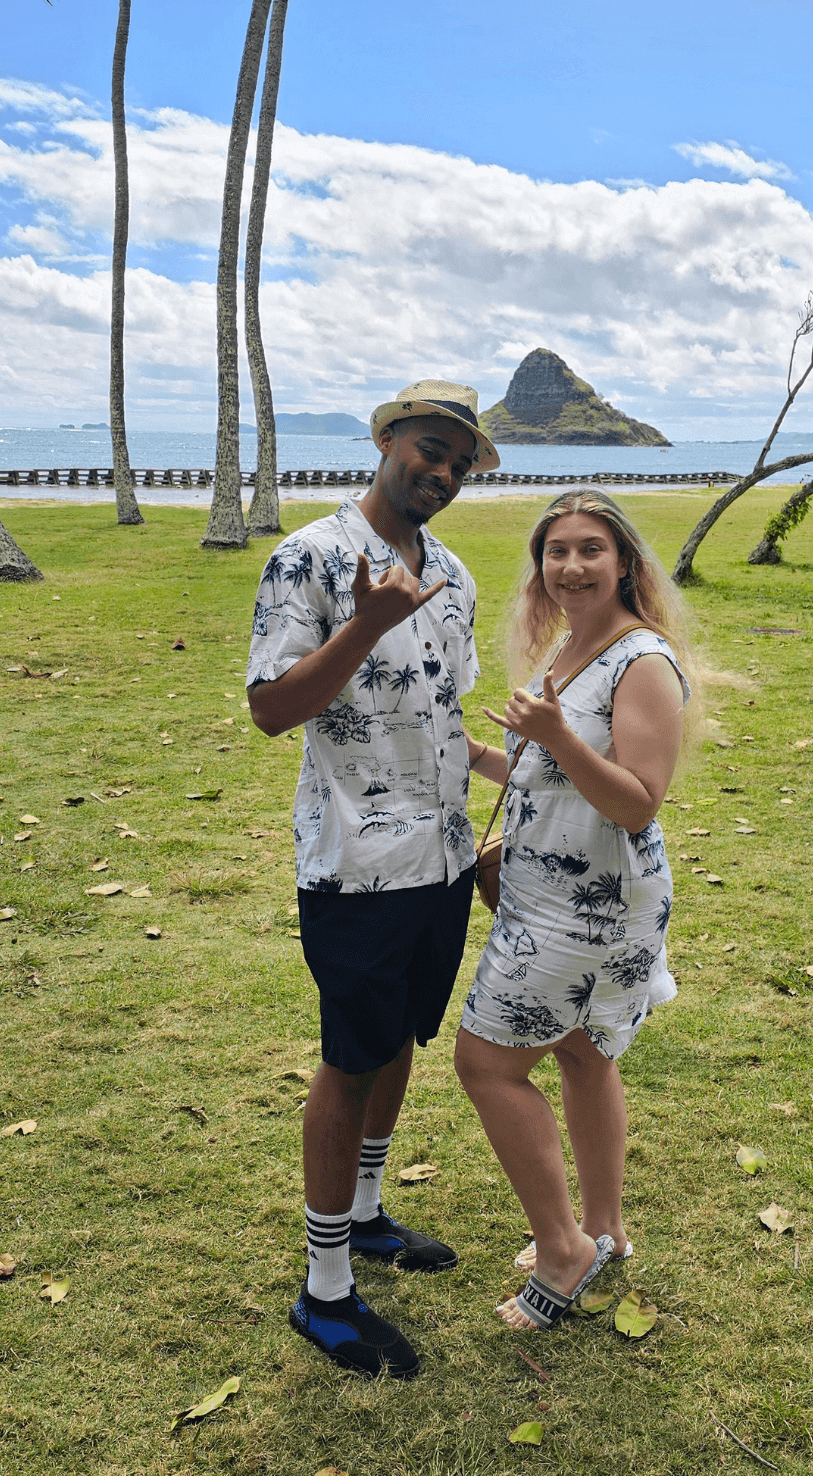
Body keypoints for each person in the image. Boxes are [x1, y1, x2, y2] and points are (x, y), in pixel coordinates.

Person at [245, 379, 502, 1379]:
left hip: (437, 861)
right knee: (349, 1061)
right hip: (355, 863)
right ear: (386, 440)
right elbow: (273, 711)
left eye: (456, 461)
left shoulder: (451, 573)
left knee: (399, 1040)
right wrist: (361, 624)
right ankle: (323, 1291)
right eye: (425, 448)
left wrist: (508, 764)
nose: (437, 471)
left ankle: (361, 1214)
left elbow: (438, 713)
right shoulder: (308, 557)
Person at [457, 490, 695, 1330]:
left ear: (625, 560)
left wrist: (556, 736)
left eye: (591, 548)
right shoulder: (570, 648)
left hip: (592, 909)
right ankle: (604, 1229)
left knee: (487, 1064)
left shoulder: (643, 662)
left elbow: (637, 803)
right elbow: (538, 773)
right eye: (556, 550)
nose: (571, 566)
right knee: (584, 1052)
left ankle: (565, 1253)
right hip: (548, 894)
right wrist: (468, 750)